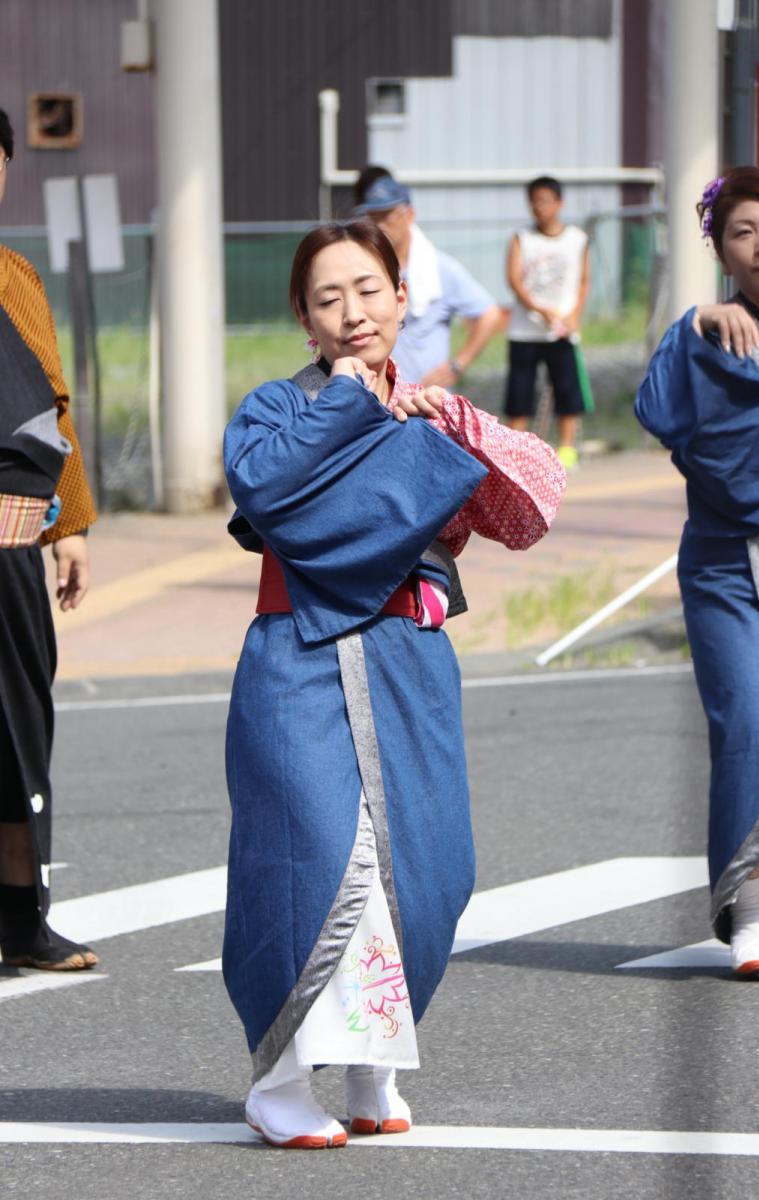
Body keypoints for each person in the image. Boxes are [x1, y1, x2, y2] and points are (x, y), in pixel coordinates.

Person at [223, 219, 565, 1148]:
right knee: (315, 862)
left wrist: (455, 428)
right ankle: (282, 1078)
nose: (352, 312)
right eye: (327, 298)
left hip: (411, 660)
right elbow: (258, 485)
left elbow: (533, 507)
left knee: (429, 866)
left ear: (402, 296)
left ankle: (375, 1059)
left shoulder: (432, 409)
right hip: (295, 658)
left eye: (369, 290)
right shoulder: (274, 408)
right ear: (303, 318)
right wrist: (342, 402)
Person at [635, 165, 759, 977]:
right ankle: (747, 907)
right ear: (719, 249)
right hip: (729, 559)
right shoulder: (707, 330)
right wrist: (688, 327)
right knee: (754, 727)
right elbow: (657, 413)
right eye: (741, 230)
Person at [0, 108, 98, 971]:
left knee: (20, 733)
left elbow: (52, 407)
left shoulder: (17, 274)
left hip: (15, 550)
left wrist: (71, 525)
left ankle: (22, 918)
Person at [353, 172, 502, 388]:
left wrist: (457, 365)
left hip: (429, 405)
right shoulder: (361, 269)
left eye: (386, 215)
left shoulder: (439, 268)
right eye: (372, 217)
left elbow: (489, 314)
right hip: (376, 400)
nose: (379, 225)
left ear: (410, 215)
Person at [504, 176, 592, 470]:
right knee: (520, 392)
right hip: (525, 330)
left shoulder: (576, 239)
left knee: (567, 389)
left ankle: (567, 449)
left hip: (561, 332)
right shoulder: (522, 238)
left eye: (544, 201)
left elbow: (583, 281)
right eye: (534, 201)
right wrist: (538, 309)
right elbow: (514, 279)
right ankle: (516, 451)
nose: (538, 207)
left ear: (559, 203)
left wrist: (573, 315)